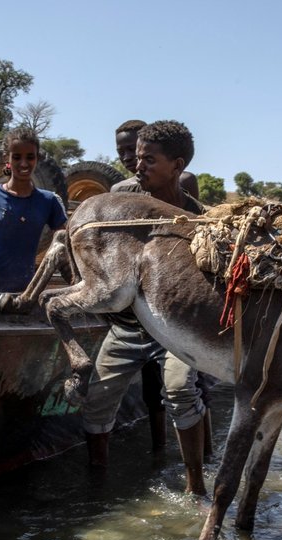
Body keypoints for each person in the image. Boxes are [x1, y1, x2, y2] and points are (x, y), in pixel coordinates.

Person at [84, 120, 209, 495]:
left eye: (148, 160)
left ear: (177, 166)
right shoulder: (122, 201)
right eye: (136, 158)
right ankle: (97, 483)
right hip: (129, 324)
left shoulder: (199, 219)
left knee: (180, 389)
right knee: (96, 400)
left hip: (176, 328)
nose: (137, 166)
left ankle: (196, 487)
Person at [0, 127, 68, 292]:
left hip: (25, 290)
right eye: (17, 157)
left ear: (37, 158)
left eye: (30, 157)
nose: (24, 163)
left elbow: (63, 240)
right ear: (7, 158)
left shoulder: (48, 201)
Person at [111, 119, 199, 199]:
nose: (127, 157)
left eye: (132, 149)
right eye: (121, 152)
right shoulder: (121, 190)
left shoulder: (184, 181)